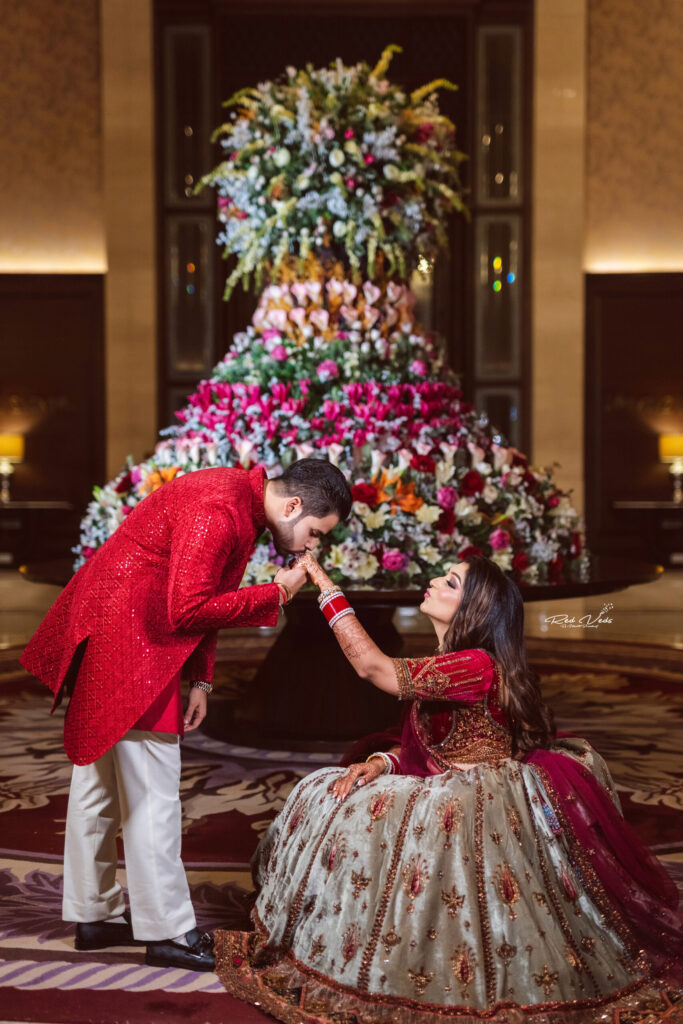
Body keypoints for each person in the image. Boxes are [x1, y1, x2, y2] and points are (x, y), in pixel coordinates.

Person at [214, 553, 683, 1020]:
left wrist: (324, 586)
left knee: (352, 815)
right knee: (328, 792)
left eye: (452, 582)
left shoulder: (475, 665)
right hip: (445, 783)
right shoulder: (450, 661)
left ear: (474, 609)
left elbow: (373, 669)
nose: (435, 580)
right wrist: (381, 761)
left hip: (477, 804)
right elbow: (426, 744)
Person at [20, 458, 351, 972]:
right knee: (153, 793)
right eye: (314, 532)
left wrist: (201, 678)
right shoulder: (220, 511)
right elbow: (187, 610)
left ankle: (92, 914)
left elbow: (203, 597)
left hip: (118, 630)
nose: (311, 547)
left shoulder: (241, 499)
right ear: (292, 506)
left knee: (100, 785)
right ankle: (168, 931)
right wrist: (278, 592)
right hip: (134, 644)